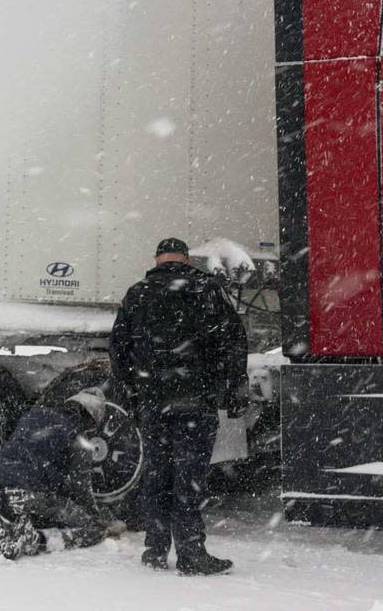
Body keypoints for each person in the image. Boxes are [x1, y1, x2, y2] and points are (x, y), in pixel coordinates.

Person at [109, 237, 248, 576]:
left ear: (157, 260)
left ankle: (155, 550)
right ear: (186, 260)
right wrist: (233, 389)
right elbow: (233, 342)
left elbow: (118, 349)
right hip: (195, 402)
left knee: (157, 474)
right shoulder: (207, 290)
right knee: (189, 478)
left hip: (154, 404)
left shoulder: (137, 293)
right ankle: (191, 554)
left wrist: (129, 393)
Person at [0, 388, 123, 559]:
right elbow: (81, 487)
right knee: (92, 529)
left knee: (53, 515)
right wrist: (94, 517)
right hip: (29, 496)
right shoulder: (79, 439)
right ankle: (34, 540)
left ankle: (13, 529)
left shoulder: (34, 414)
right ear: (89, 418)